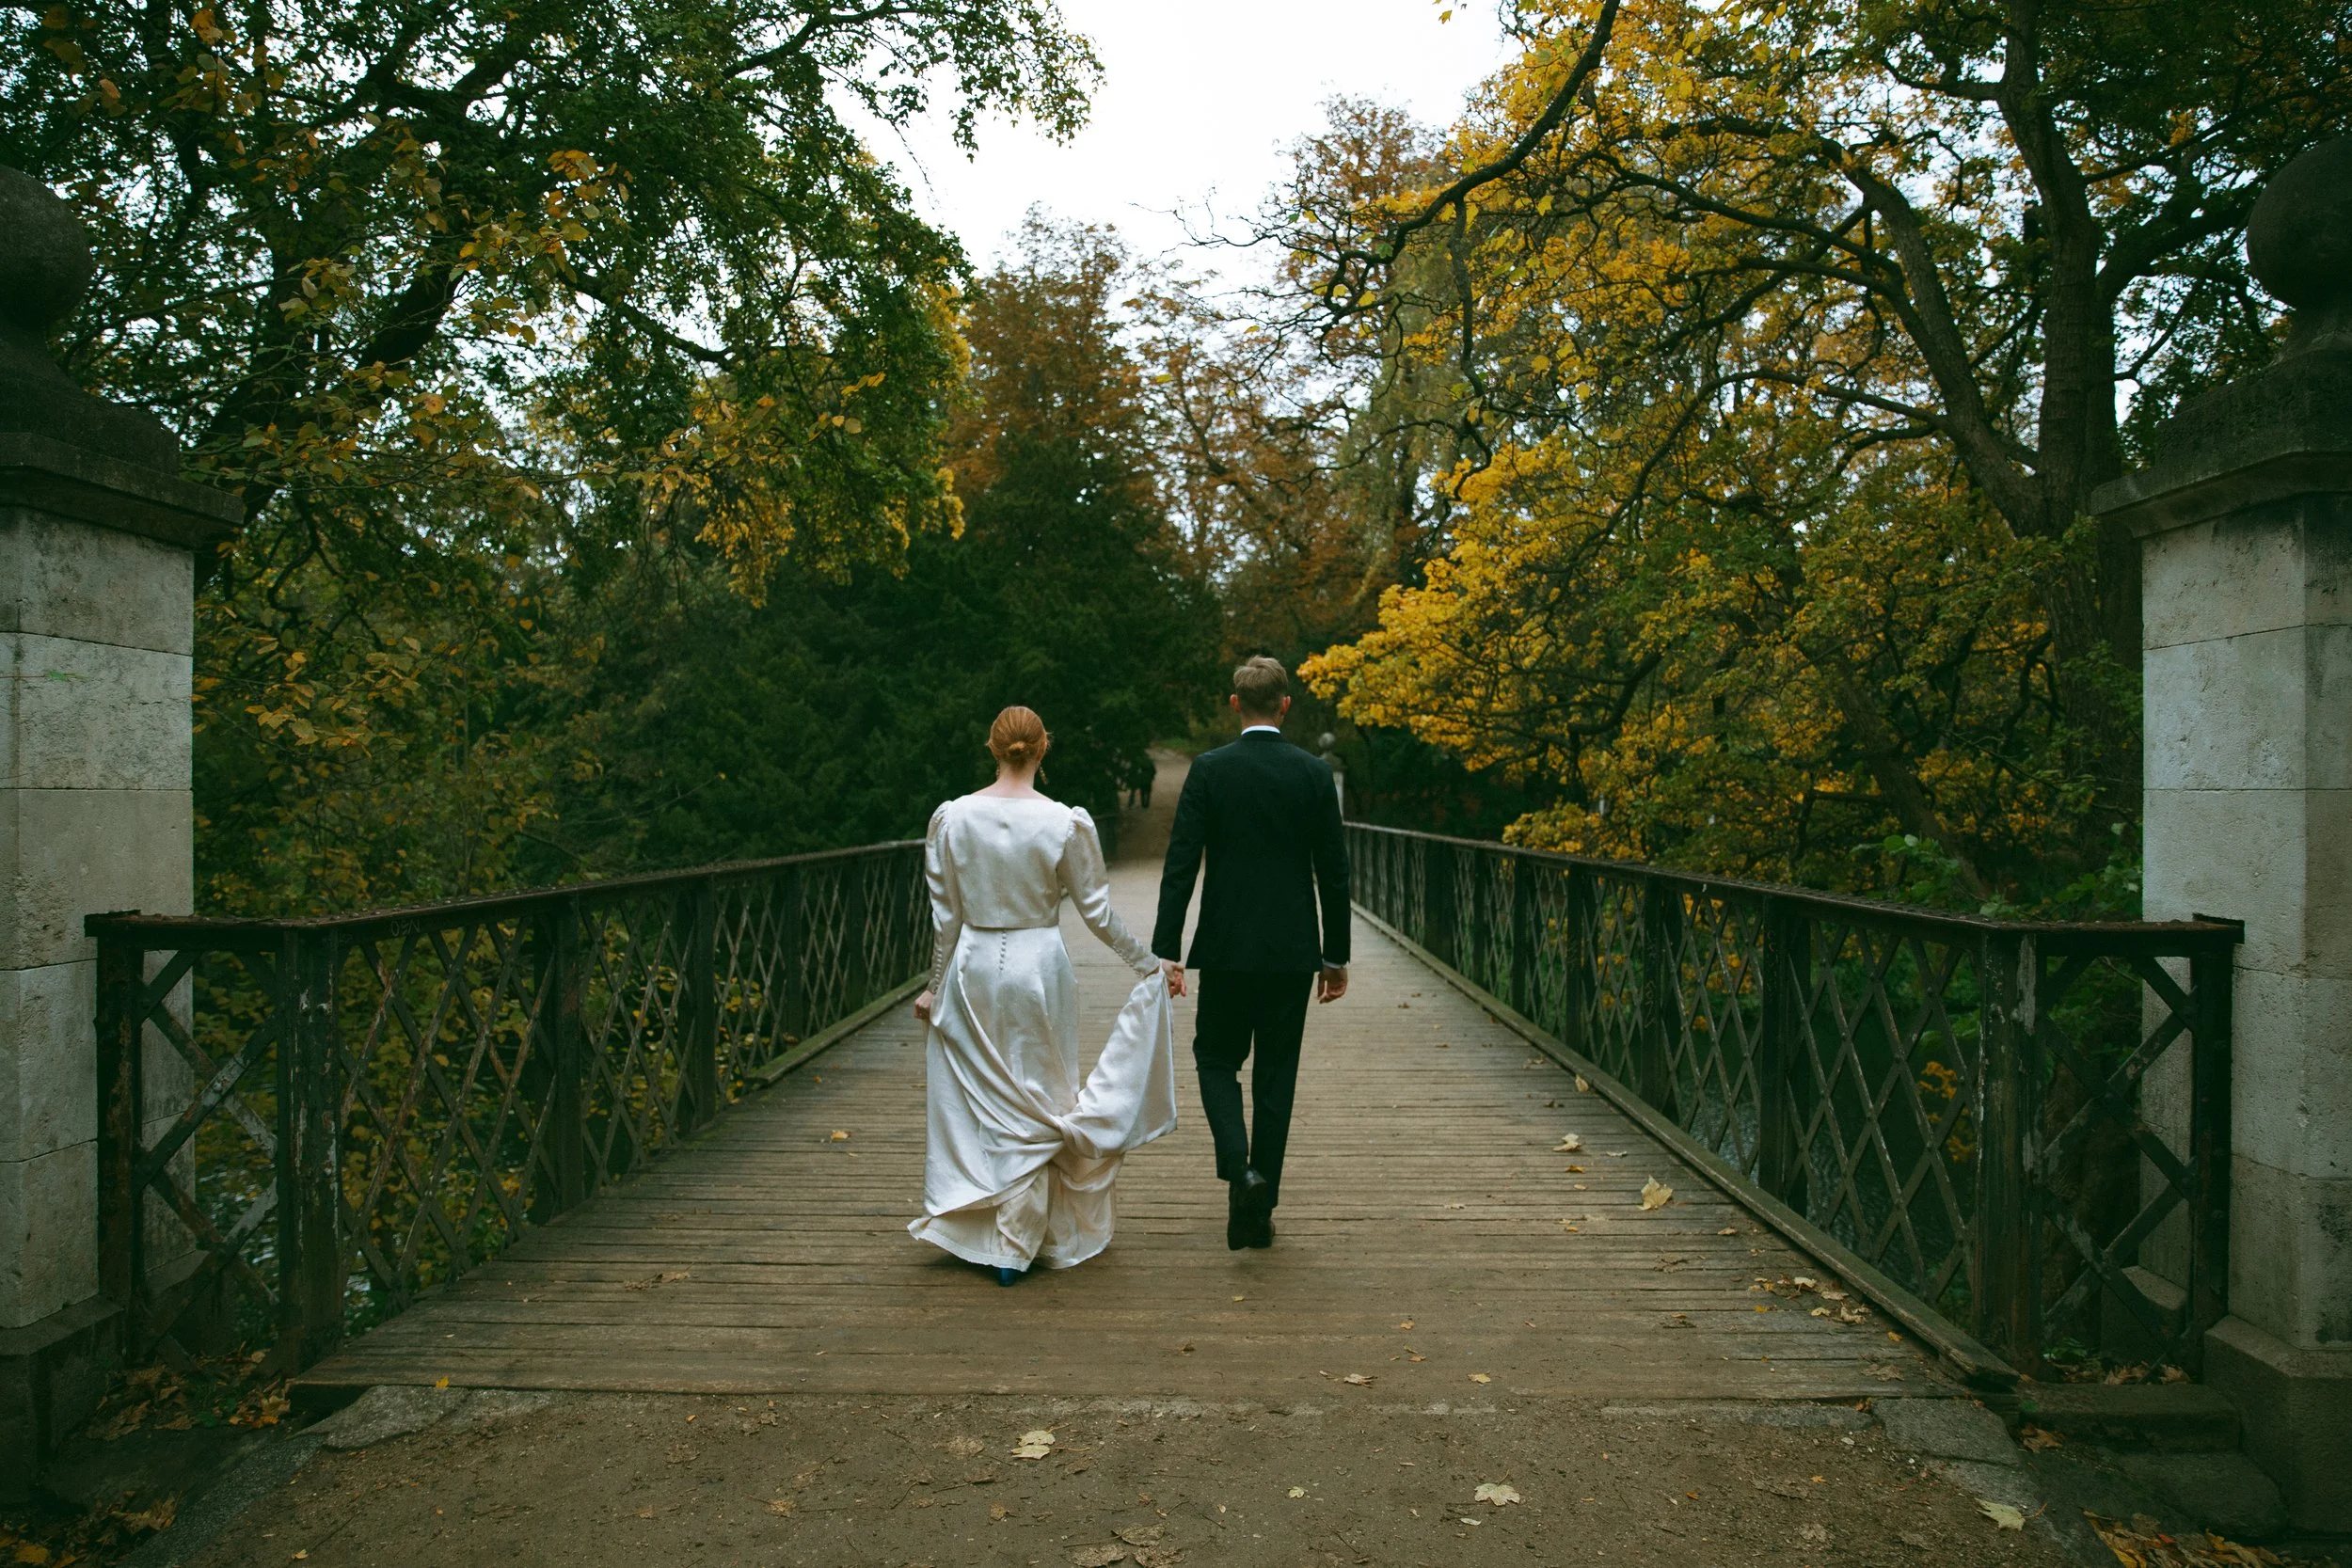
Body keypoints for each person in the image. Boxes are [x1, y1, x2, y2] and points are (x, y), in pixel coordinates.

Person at [909, 706, 1179, 1284]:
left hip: (975, 965)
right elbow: (1098, 913)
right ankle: (1021, 1239)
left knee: (984, 1097)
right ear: (1043, 750)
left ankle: (998, 1235)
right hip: (1039, 964)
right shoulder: (1064, 822)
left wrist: (934, 988)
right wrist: (1148, 963)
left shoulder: (954, 819)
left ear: (992, 748)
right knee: (1038, 1095)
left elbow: (946, 918)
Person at [1152, 657, 1350, 1250]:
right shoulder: (1313, 775)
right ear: (1284, 704)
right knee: (1276, 1076)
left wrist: (1168, 949)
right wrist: (1334, 954)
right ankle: (1259, 1212)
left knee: (1215, 1058)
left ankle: (1242, 1171)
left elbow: (1181, 861)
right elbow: (1333, 874)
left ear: (1235, 704)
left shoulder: (1210, 771)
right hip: (1292, 952)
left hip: (1227, 948)